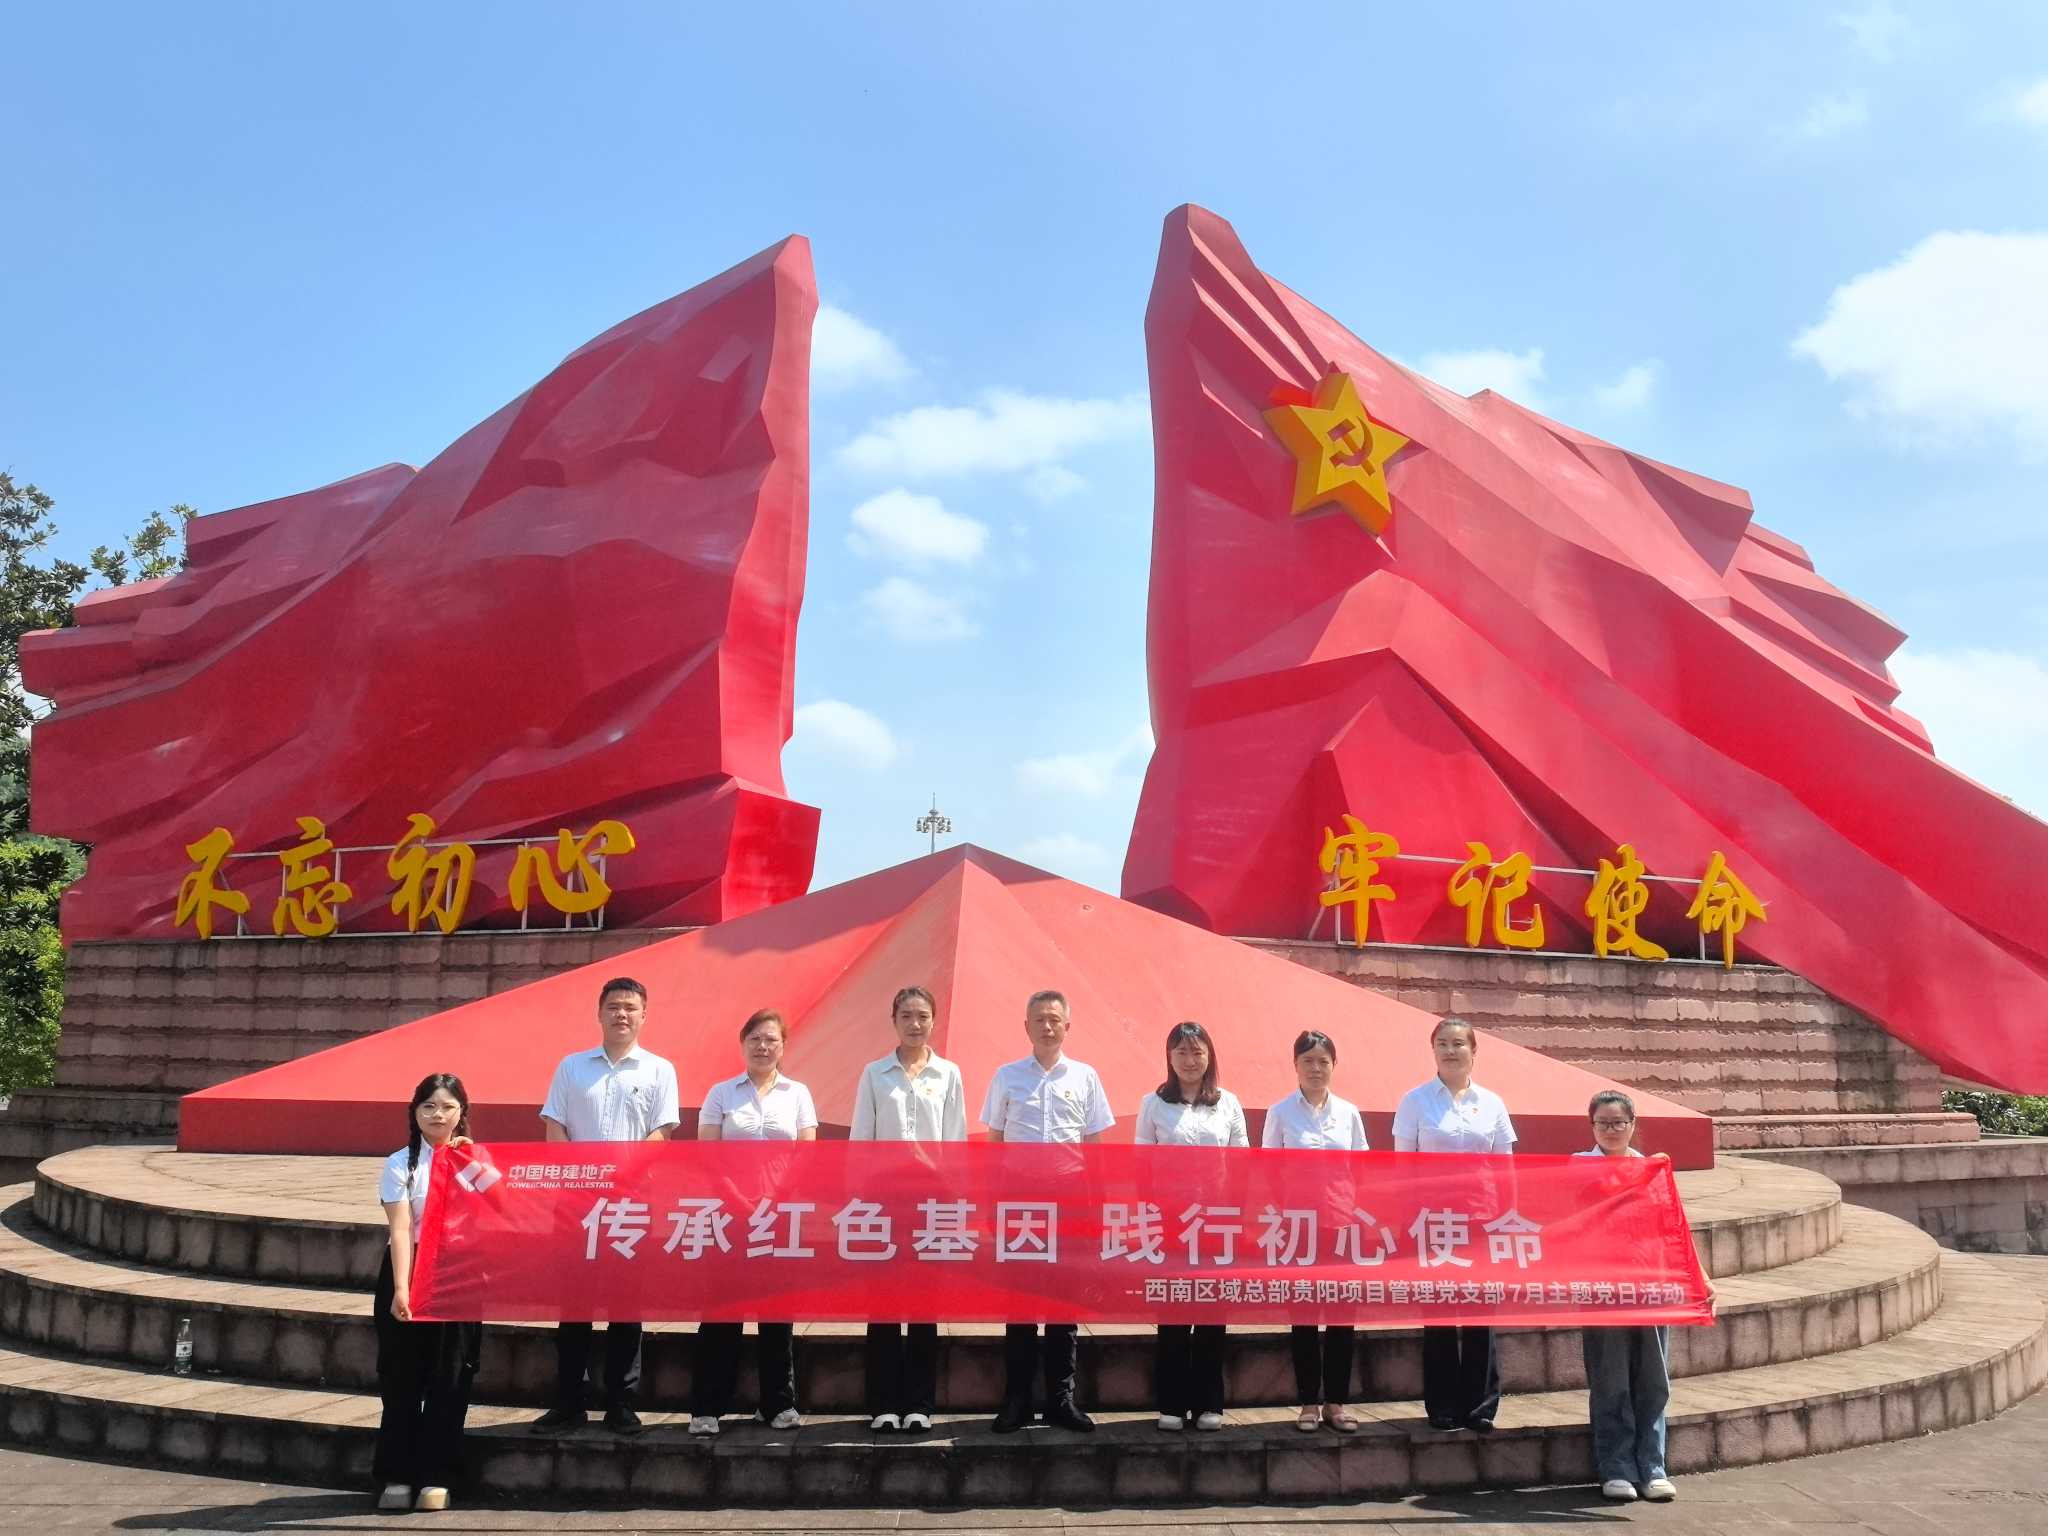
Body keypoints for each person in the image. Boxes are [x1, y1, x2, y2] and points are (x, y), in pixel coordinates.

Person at [531, 977, 680, 1436]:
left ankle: (621, 1402)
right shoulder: (572, 1067)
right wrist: (583, 1180)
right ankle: (569, 1401)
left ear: (644, 1016)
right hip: (576, 1203)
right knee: (573, 1304)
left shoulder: (659, 1070)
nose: (622, 1014)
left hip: (631, 1204)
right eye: (614, 1006)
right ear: (599, 1013)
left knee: (626, 1305)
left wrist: (621, 1177)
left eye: (631, 1008)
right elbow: (555, 1127)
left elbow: (662, 1133)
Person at [981, 988, 1113, 1433]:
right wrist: (992, 1201)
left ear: (1067, 1026)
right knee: (1019, 1301)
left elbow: (1094, 1145)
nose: (1047, 1026)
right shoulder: (1007, 1076)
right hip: (1019, 1196)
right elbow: (994, 1142)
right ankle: (1017, 1400)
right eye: (1039, 1019)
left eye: (1055, 1019)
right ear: (1026, 1026)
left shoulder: (1086, 1077)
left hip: (1070, 1196)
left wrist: (1097, 1204)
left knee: (1063, 1300)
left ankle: (1060, 1399)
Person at [688, 1007, 818, 1436]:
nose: (763, 1046)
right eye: (755, 1039)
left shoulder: (798, 1093)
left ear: (783, 1046)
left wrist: (775, 1199)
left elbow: (807, 1152)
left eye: (771, 1040)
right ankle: (708, 1408)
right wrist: (738, 1198)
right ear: (743, 1044)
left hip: (780, 1216)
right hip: (728, 1215)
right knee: (721, 1311)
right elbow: (708, 1154)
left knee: (776, 1312)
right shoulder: (721, 1093)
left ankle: (778, 1404)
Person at [849, 984, 967, 1434]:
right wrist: (858, 1199)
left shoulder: (948, 1074)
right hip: (883, 1199)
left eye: (922, 1016)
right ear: (893, 1021)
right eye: (906, 1016)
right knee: (881, 1303)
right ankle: (882, 1404)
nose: (915, 1024)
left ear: (934, 1020)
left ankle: (919, 1404)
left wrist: (957, 1200)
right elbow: (861, 1139)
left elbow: (955, 1141)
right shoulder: (875, 1073)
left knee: (923, 1303)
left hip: (933, 1201)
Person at [1391, 1015, 1516, 1432]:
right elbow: (1403, 1166)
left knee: (1481, 1314)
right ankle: (1442, 1405)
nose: (1450, 1050)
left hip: (1481, 1220)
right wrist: (1407, 1220)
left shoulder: (1492, 1103)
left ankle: (1480, 1407)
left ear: (1474, 1051)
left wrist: (1507, 1218)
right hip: (1433, 1222)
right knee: (1440, 1313)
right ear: (1433, 1050)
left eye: (1459, 1043)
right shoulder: (1414, 1101)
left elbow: (1504, 1168)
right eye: (1442, 1043)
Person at [373, 1073, 482, 1513]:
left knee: (450, 1376)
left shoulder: (475, 1163)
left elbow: (502, 1206)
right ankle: (397, 1473)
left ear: (462, 1113)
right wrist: (403, 1287)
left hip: (459, 1272)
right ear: (415, 1112)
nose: (438, 1115)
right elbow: (400, 1228)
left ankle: (438, 1474)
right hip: (409, 1268)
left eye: (448, 1107)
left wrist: (473, 1161)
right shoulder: (400, 1163)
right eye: (429, 1106)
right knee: (400, 1376)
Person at [1135, 1020, 1247, 1433]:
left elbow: (1241, 1164)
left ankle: (1208, 1402)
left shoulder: (1228, 1103)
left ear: (1209, 1057)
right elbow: (1142, 1166)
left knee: (1212, 1312)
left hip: (1217, 1222)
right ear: (1169, 1057)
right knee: (1173, 1310)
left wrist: (1237, 1216)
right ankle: (1172, 1402)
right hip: (1170, 1223)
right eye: (1181, 1052)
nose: (1189, 1060)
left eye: (1197, 1052)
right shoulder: (1153, 1104)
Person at [1261, 1029, 1369, 1433]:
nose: (1316, 1068)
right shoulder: (1280, 1112)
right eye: (1308, 1061)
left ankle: (1336, 1402)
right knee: (1304, 1316)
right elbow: (1269, 1170)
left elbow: (1362, 1168)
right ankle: (1308, 1401)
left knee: (1342, 1317)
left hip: (1342, 1226)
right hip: (1298, 1227)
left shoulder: (1349, 1113)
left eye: (1323, 1061)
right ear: (1295, 1065)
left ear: (1334, 1065)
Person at [1577, 1090, 1678, 1503]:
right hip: (1602, 1287)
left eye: (1619, 1122)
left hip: (1649, 1283)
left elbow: (1673, 1228)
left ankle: (1653, 1466)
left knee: (1653, 1379)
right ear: (1591, 1126)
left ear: (1633, 1125)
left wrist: (1700, 1278)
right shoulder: (1577, 1168)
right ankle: (1616, 1466)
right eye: (1603, 1123)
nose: (1612, 1130)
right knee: (1610, 1378)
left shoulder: (1651, 1170)